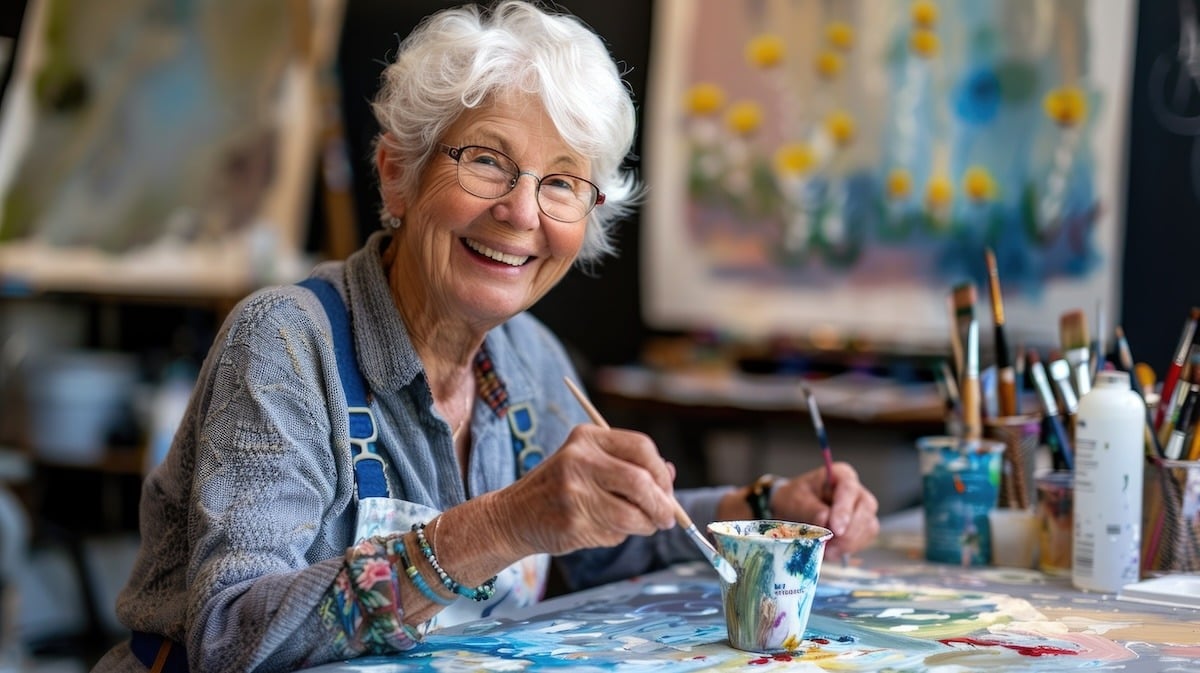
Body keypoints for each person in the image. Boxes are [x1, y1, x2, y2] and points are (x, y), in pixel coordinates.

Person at [93, 2, 879, 670]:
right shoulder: (286, 345)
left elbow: (592, 545)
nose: (522, 213)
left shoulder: (530, 357)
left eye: (562, 182)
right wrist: (504, 522)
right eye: (487, 161)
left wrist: (765, 504)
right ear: (397, 173)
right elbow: (232, 637)